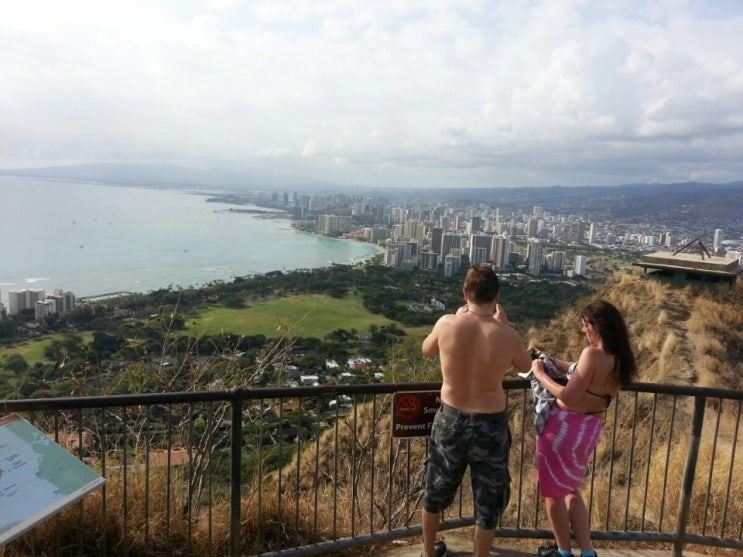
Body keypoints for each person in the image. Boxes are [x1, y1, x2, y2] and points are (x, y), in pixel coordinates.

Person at [420, 264, 532, 557]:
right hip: (490, 423)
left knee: (435, 490)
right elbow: (526, 367)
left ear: (465, 293)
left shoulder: (446, 324)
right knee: (488, 498)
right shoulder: (507, 335)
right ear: (497, 295)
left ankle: (429, 552)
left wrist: (458, 318)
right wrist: (504, 325)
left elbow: (427, 349)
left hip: (450, 418)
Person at [529, 300, 637, 557]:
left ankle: (563, 552)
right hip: (588, 430)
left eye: (585, 326)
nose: (583, 331)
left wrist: (540, 373)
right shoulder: (620, 359)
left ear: (597, 327)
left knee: (553, 494)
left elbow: (569, 396)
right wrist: (551, 360)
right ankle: (587, 552)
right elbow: (583, 373)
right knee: (570, 488)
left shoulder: (591, 354)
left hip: (563, 429)